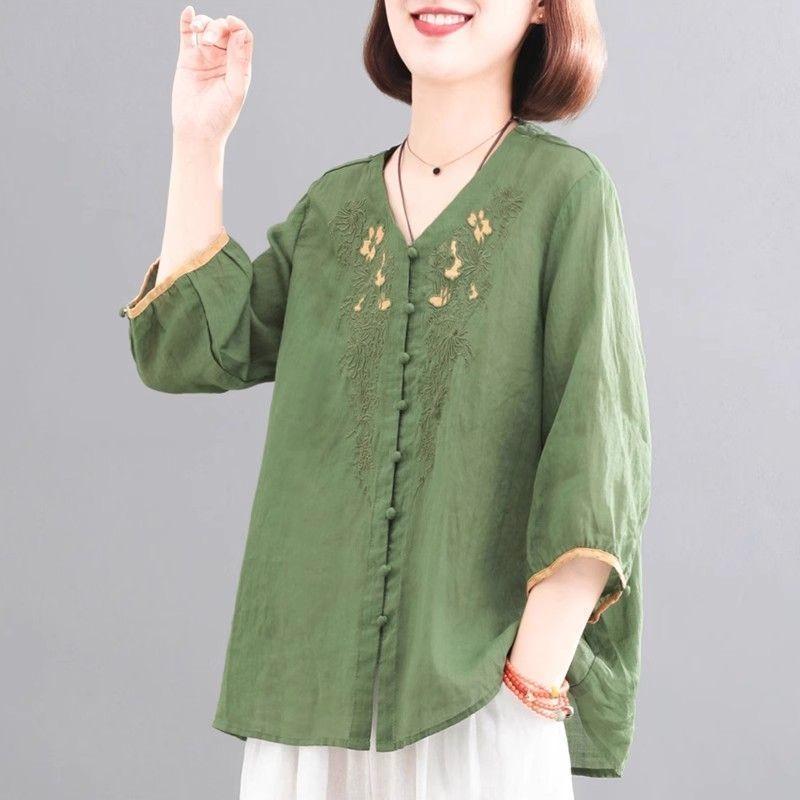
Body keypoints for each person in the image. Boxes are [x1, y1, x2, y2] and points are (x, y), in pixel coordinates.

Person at [119, 2, 652, 797]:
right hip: (308, 714)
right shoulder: (333, 210)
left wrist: (525, 687)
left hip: (477, 709)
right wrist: (199, 137)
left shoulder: (567, 196)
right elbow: (192, 346)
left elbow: (598, 458)